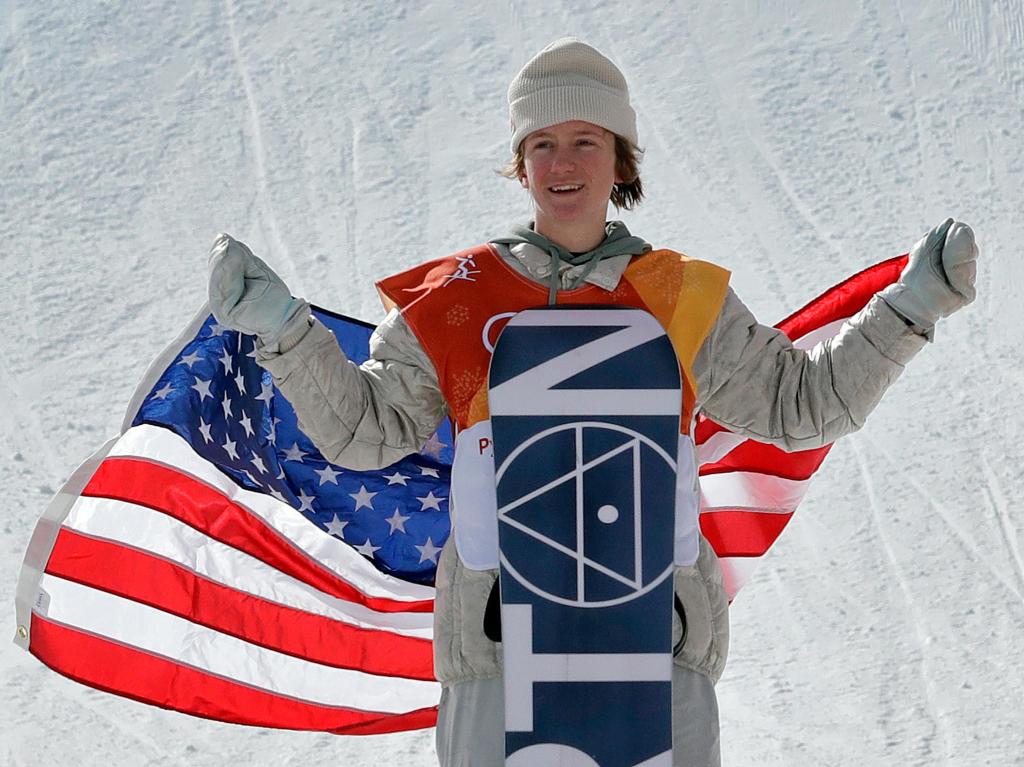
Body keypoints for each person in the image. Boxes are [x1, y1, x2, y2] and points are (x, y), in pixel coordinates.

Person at [207, 37, 978, 767]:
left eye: (586, 140)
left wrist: (911, 308)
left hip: (654, 649)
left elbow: (805, 404)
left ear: (620, 160)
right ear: (520, 164)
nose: (564, 162)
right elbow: (365, 430)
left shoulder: (679, 297)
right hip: (500, 656)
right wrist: (286, 331)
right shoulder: (458, 300)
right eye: (542, 143)